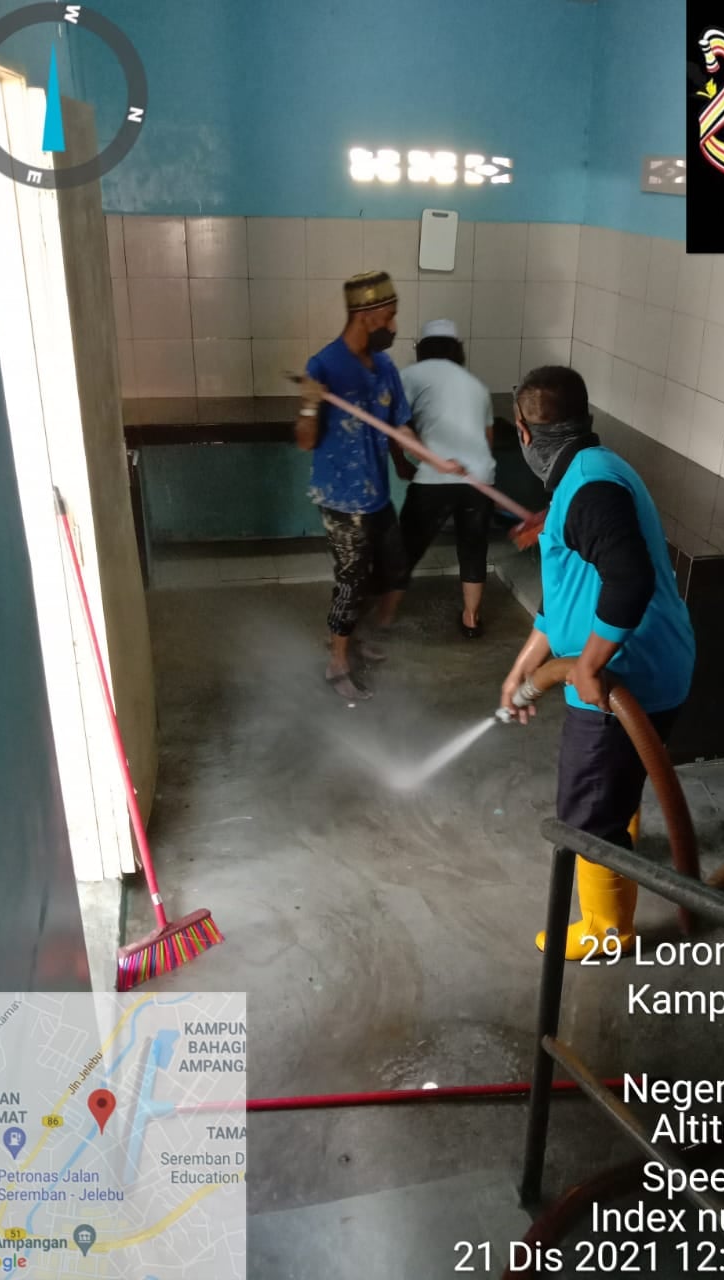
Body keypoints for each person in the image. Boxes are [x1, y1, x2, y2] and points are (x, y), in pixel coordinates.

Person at [500, 366, 695, 960]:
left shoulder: (587, 488)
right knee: (617, 783)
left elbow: (629, 580)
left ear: (524, 432)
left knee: (585, 814)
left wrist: (585, 665)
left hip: (622, 676)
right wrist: (526, 664)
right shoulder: (591, 472)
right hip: (655, 661)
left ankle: (607, 930)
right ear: (585, 419)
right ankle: (617, 842)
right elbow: (568, 596)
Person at [296, 271, 420, 701]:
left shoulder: (384, 367)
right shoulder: (324, 366)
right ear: (366, 316)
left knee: (394, 568)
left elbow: (398, 426)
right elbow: (305, 441)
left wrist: (413, 460)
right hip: (341, 498)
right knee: (352, 581)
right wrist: (310, 404)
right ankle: (337, 661)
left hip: (377, 494)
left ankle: (355, 636)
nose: (394, 326)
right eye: (389, 316)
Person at [398, 320, 497, 638]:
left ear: (422, 348)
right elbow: (488, 439)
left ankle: (381, 613)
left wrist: (402, 463)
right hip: (478, 479)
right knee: (473, 548)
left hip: (434, 478)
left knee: (405, 547)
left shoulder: (410, 375)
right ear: (457, 349)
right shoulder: (476, 385)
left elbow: (396, 426)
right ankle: (472, 619)